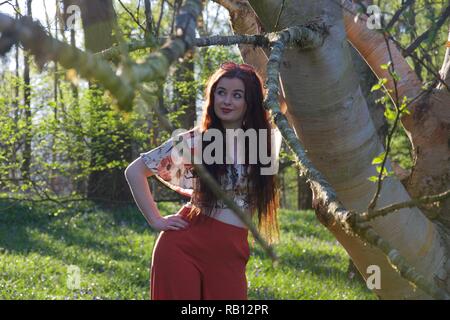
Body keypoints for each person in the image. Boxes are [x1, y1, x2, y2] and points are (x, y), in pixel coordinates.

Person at [124, 61, 281, 300]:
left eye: (237, 95)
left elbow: (286, 98)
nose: (227, 101)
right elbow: (135, 172)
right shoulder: (196, 141)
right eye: (221, 92)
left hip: (232, 252)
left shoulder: (262, 142)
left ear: (250, 101)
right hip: (182, 247)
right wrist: (155, 220)